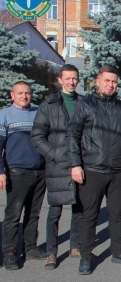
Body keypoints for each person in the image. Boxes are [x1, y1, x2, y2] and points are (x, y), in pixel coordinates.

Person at [68, 66, 121, 275]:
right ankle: (86, 256)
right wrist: (75, 164)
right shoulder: (85, 105)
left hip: (118, 170)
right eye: (107, 81)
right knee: (89, 215)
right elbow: (72, 135)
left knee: (117, 214)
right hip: (92, 169)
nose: (110, 85)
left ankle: (118, 251)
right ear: (98, 81)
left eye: (114, 82)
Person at [31, 64, 83, 270]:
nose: (71, 82)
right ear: (60, 80)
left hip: (79, 163)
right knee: (54, 211)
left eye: (75, 78)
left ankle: (76, 246)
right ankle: (52, 252)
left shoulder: (82, 102)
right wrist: (53, 155)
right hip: (57, 166)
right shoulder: (49, 105)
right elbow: (37, 136)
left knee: (79, 206)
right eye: (68, 78)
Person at [0, 81, 47, 270]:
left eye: (27, 93)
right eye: (20, 93)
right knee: (13, 214)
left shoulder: (38, 114)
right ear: (12, 95)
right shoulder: (4, 115)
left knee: (33, 214)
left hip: (40, 171)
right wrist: (1, 171)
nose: (24, 96)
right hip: (17, 172)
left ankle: (30, 247)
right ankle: (9, 252)